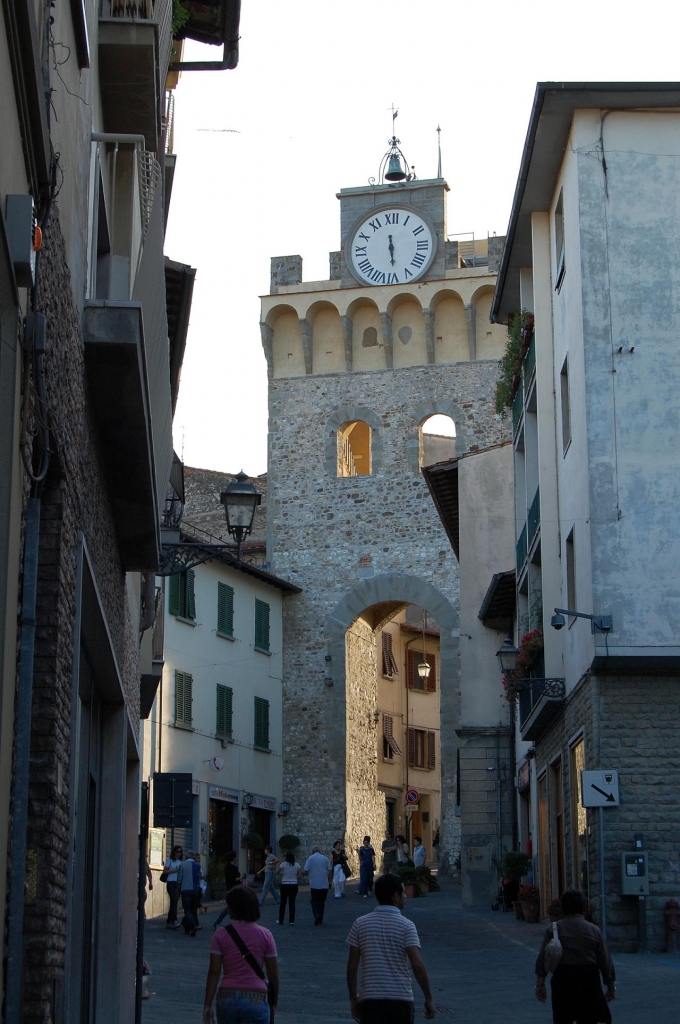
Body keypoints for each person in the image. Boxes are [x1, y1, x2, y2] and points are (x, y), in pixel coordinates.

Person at [346, 872, 436, 1023]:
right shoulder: (407, 925)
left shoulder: (360, 924)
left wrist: (353, 998)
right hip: (400, 999)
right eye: (403, 892)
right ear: (396, 896)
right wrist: (428, 997)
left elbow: (352, 966)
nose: (406, 896)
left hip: (370, 1000)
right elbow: (416, 963)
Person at [534, 889, 616, 1024]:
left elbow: (543, 959)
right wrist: (610, 987)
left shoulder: (553, 929)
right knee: (588, 1019)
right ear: (584, 908)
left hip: (563, 981)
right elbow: (605, 962)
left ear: (563, 908)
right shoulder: (594, 930)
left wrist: (540, 985)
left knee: (563, 1019)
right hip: (588, 981)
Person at [203, 885, 279, 1024]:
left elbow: (214, 971)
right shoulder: (266, 935)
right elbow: (273, 974)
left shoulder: (220, 934)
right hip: (256, 997)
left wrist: (207, 1005)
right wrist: (274, 1003)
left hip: (227, 996)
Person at [214, 852, 245, 930]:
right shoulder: (233, 868)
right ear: (233, 858)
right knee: (230, 907)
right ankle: (217, 922)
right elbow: (233, 879)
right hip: (234, 889)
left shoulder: (228, 867)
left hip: (230, 888)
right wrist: (241, 877)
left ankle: (240, 923)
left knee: (235, 907)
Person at [303, 845, 332, 924]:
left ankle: (316, 914)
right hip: (324, 883)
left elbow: (306, 869)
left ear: (313, 852)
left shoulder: (310, 858)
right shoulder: (325, 858)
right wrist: (330, 881)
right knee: (322, 902)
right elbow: (330, 870)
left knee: (315, 901)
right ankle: (320, 916)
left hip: (314, 884)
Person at [178, 850, 202, 936]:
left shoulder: (182, 865)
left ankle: (193, 925)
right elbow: (200, 877)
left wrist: (178, 889)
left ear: (186, 857)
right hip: (195, 890)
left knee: (187, 910)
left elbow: (179, 878)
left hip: (185, 890)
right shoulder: (197, 865)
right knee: (193, 909)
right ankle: (188, 929)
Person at [277, 849, 302, 924]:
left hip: (285, 883)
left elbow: (277, 872)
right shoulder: (297, 865)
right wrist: (294, 876)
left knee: (283, 903)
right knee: (292, 902)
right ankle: (291, 920)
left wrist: (283, 874)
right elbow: (300, 875)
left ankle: (281, 920)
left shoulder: (283, 864)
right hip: (293, 884)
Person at [164, 845, 183, 928]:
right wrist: (174, 870)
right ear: (174, 852)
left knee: (174, 901)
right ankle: (174, 920)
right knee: (173, 899)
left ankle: (169, 920)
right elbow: (165, 871)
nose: (179, 853)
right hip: (170, 882)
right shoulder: (170, 861)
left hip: (177, 883)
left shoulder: (181, 862)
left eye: (180, 852)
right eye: (177, 851)